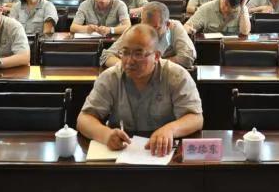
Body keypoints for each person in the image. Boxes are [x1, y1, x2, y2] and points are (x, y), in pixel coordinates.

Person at [78, 24, 203, 156]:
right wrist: (106, 134)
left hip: (162, 154)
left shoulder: (176, 76)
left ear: (156, 56)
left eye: (138, 54)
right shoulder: (110, 77)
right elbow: (84, 119)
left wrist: (171, 130)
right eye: (125, 53)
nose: (129, 61)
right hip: (121, 153)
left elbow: (195, 118)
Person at [102, 2, 196, 69]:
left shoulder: (175, 27)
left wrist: (152, 65)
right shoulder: (135, 30)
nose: (148, 32)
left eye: (155, 27)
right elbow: (106, 56)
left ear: (167, 24)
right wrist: (125, 65)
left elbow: (188, 57)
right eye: (145, 26)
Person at [184, 0, 251, 35]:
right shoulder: (206, 8)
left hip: (233, 46)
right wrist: (189, 30)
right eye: (226, 4)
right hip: (211, 45)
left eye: (231, 8)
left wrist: (242, 7)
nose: (226, 9)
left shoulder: (242, 8)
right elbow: (187, 26)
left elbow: (245, 32)